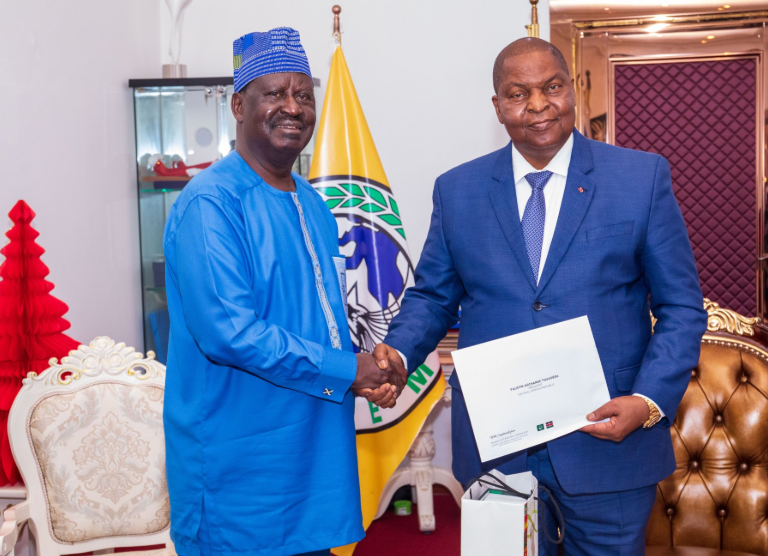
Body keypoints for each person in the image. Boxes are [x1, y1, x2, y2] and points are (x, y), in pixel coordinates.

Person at [374, 38, 707, 554]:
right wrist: (395, 354)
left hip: (609, 441)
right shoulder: (457, 190)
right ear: (497, 106)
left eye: (551, 87)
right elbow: (433, 297)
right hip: (498, 448)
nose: (537, 105)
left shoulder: (640, 178)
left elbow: (682, 307)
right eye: (517, 93)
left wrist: (647, 402)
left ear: (571, 90)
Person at [162, 27, 405, 556]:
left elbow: (323, 320)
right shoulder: (211, 205)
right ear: (238, 104)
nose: (292, 107)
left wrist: (369, 368)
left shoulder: (312, 203)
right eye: (274, 94)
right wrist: (351, 371)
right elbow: (230, 334)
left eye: (303, 94)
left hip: (314, 457)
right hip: (241, 473)